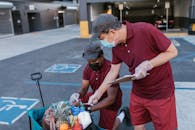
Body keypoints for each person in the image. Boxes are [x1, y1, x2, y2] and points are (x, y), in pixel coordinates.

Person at [88, 14, 178, 130]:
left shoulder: (145, 30)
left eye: (102, 38)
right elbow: (113, 72)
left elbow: (172, 51)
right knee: (138, 125)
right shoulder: (116, 46)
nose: (103, 43)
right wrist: (98, 94)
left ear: (112, 32)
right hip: (138, 93)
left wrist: (148, 64)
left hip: (160, 93)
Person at [70, 40, 122, 130]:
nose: (91, 64)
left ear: (102, 56)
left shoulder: (111, 70)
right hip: (95, 96)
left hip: (110, 102)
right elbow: (84, 88)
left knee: (107, 128)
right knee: (75, 104)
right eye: (89, 61)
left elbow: (111, 99)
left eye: (94, 61)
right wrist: (77, 95)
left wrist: (90, 109)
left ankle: (123, 114)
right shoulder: (88, 68)